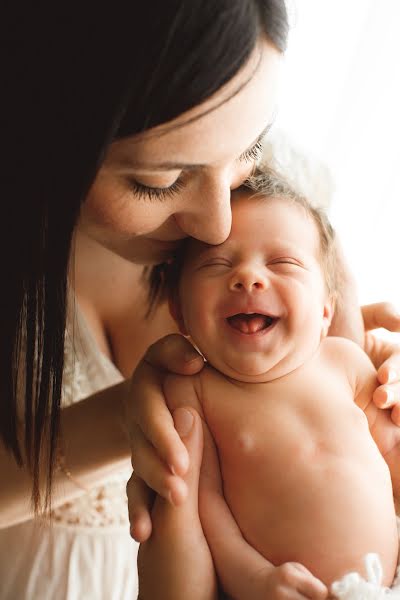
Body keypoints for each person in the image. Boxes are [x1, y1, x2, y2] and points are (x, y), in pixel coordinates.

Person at [1, 2, 400, 599]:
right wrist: (139, 420)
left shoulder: (293, 200)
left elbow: (369, 471)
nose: (217, 225)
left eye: (249, 148)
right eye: (158, 182)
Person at [148, 171, 400, 599]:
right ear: (179, 310)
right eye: (217, 264)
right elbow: (206, 511)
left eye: (282, 263)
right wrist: (253, 578)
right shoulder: (194, 392)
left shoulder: (346, 364)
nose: (248, 278)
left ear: (325, 310)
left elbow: (393, 457)